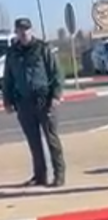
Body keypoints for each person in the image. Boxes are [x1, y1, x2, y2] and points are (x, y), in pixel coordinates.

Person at [2, 17, 65, 187]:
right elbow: (8, 79)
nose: (23, 33)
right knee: (33, 141)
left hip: (44, 100)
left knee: (52, 139)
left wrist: (56, 96)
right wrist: (6, 100)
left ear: (31, 30)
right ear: (16, 32)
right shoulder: (12, 53)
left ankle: (59, 175)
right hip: (24, 103)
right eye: (20, 30)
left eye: (26, 29)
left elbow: (56, 73)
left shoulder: (43, 49)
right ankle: (40, 175)